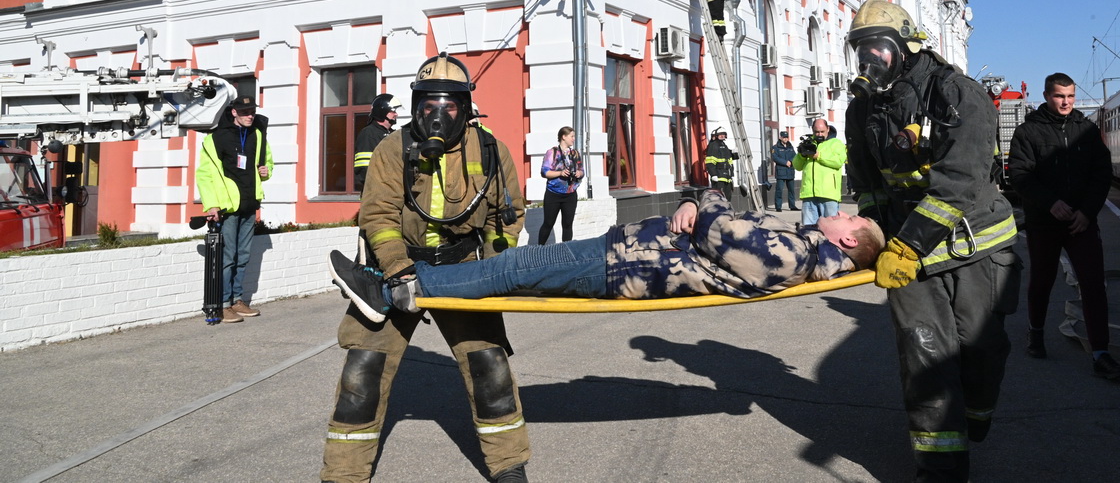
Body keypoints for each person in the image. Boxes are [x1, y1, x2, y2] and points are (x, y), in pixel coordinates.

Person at [321, 53, 531, 483]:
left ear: (465, 108)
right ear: (416, 105)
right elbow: (378, 215)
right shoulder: (392, 148)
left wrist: (495, 270)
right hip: (394, 270)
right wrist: (398, 269)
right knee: (363, 370)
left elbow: (506, 217)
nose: (437, 115)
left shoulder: (489, 149)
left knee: (488, 366)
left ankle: (508, 465)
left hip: (460, 268)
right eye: (428, 104)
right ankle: (343, 474)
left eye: (449, 105)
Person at [845, 0, 1021, 483]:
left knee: (981, 351)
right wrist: (875, 235)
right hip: (910, 257)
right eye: (860, 50)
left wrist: (908, 245)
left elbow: (960, 180)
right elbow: (866, 182)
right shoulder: (863, 110)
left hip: (975, 246)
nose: (868, 59)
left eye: (877, 47)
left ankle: (975, 416)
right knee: (924, 356)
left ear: (906, 47)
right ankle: (940, 468)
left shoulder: (956, 93)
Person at [329, 187, 883, 316]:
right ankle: (412, 280)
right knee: (514, 269)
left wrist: (703, 206)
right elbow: (720, 216)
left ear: (848, 240)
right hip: (628, 252)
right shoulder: (803, 243)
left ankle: (397, 291)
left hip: (627, 266)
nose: (845, 211)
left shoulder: (798, 257)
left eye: (853, 217)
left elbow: (721, 235)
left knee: (516, 267)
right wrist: (698, 201)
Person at [1008, 72, 1120, 382]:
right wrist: (1050, 203)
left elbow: (1102, 173)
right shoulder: (1027, 131)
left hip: (1080, 223)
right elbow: (1019, 176)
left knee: (1093, 284)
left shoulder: (1086, 130)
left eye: (1071, 96)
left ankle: (1101, 354)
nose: (1066, 102)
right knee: (1042, 282)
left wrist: (1087, 212)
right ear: (1047, 96)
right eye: (1060, 96)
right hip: (1043, 223)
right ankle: (1035, 333)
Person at [195, 95, 272, 324]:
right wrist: (211, 204)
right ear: (234, 112)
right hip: (227, 207)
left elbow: (267, 162)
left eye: (252, 112)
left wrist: (267, 171)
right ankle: (223, 304)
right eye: (245, 112)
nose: (250, 116)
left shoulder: (257, 134)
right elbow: (205, 175)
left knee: (243, 255)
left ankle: (238, 300)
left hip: (249, 203)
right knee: (227, 257)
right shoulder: (216, 138)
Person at [537, 126, 584, 244]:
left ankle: (566, 250)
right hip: (553, 194)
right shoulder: (552, 153)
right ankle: (539, 249)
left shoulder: (575, 153)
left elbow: (582, 170)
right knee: (548, 223)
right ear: (564, 137)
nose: (574, 139)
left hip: (570, 194)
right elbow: (544, 172)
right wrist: (560, 173)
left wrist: (579, 173)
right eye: (572, 136)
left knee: (568, 225)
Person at [794, 119, 844, 224]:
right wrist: (802, 155)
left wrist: (819, 156)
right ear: (812, 130)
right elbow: (797, 166)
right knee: (808, 229)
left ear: (828, 129)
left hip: (828, 194)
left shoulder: (836, 143)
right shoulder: (808, 143)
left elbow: (838, 161)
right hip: (809, 194)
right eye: (816, 132)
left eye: (822, 131)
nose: (819, 134)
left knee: (830, 228)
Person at [352, 94, 401, 192]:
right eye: (393, 111)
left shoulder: (393, 134)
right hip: (377, 192)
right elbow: (364, 168)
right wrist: (379, 188)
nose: (396, 114)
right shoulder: (368, 133)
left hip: (393, 191)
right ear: (382, 111)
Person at [770, 130, 799, 212]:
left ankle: (792, 206)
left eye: (786, 137)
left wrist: (790, 161)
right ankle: (778, 206)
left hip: (790, 171)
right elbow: (775, 158)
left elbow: (795, 156)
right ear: (780, 137)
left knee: (791, 190)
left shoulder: (790, 146)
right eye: (784, 137)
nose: (785, 139)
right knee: (779, 190)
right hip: (781, 171)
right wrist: (785, 162)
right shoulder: (775, 147)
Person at [704, 127, 737, 196]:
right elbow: (710, 161)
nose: (722, 136)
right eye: (720, 134)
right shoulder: (713, 146)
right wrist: (713, 174)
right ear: (716, 136)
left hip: (727, 178)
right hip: (719, 178)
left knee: (727, 198)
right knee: (719, 198)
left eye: (723, 134)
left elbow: (727, 158)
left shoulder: (723, 145)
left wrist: (734, 153)